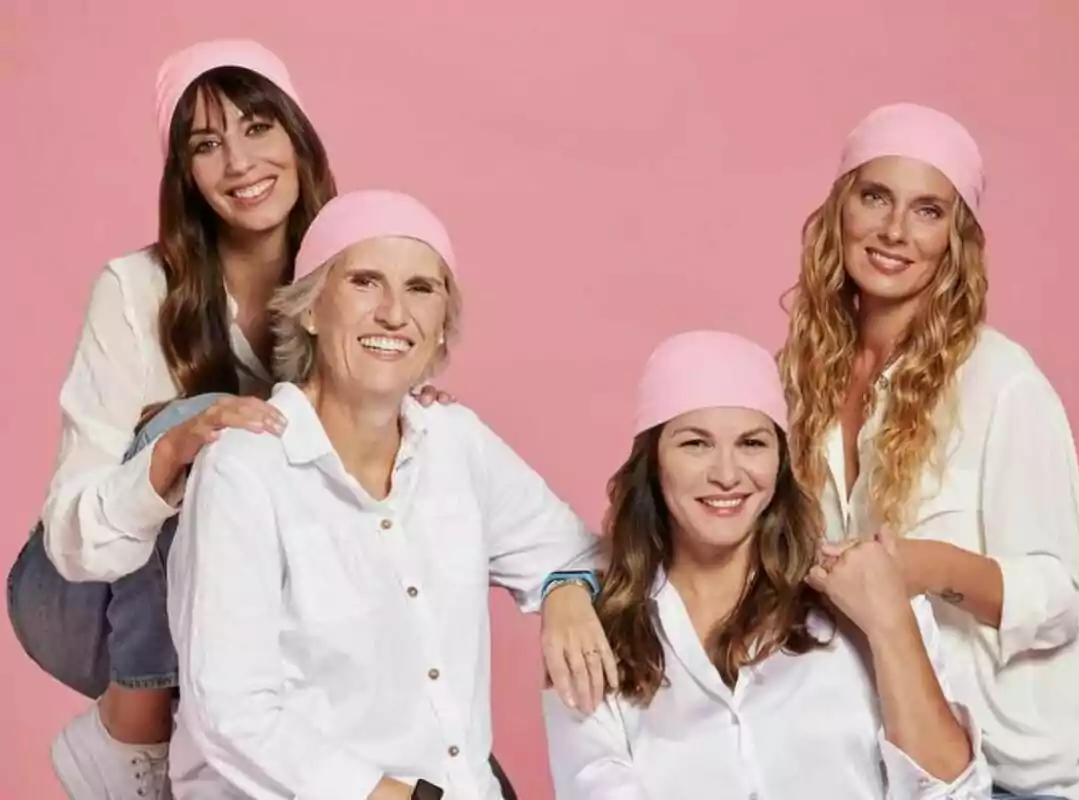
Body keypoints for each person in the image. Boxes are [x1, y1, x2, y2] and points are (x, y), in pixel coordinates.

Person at [166, 189, 614, 800]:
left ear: (439, 326)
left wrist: (564, 589)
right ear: (312, 309)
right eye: (365, 282)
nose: (394, 313)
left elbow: (576, 552)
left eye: (422, 289)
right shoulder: (245, 470)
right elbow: (231, 713)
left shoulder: (456, 442)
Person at [4, 38, 341, 800]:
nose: (240, 163)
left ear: (297, 136)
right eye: (207, 144)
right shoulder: (134, 288)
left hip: (240, 623)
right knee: (205, 429)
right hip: (83, 598)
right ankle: (136, 732)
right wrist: (172, 453)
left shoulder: (345, 288)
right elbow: (72, 534)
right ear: (186, 173)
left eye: (259, 128)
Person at [776, 103, 1079, 800]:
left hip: (1031, 784)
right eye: (876, 197)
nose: (895, 232)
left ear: (955, 239)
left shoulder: (1002, 384)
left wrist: (923, 566)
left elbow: (1059, 599)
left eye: (928, 211)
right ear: (842, 209)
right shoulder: (801, 380)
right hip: (899, 776)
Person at [542, 330, 990, 799]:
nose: (727, 474)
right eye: (695, 444)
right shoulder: (591, 630)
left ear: (780, 462)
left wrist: (891, 625)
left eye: (752, 443)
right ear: (652, 462)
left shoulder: (860, 599)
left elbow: (956, 795)